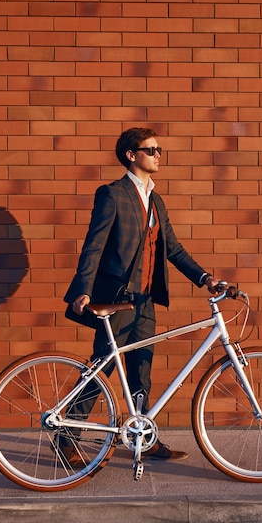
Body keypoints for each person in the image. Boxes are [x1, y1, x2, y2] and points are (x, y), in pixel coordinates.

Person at [63, 127, 220, 463]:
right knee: (102, 366)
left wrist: (205, 278)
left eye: (159, 149)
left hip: (145, 300)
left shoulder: (156, 200)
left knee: (141, 370)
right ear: (131, 155)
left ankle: (141, 438)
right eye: (151, 150)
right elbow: (95, 244)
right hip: (118, 297)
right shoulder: (112, 194)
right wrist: (83, 290)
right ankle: (66, 436)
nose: (158, 154)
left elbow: (173, 249)